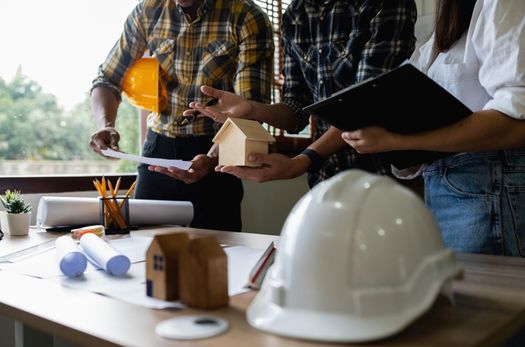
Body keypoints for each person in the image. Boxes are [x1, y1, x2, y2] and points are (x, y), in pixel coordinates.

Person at [341, 0, 525, 256]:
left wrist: (397, 142)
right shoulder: (435, 42)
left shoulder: (500, 4)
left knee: (481, 292)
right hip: (445, 193)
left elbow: (517, 123)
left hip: (487, 193)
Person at [187, 0, 417, 188]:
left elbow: (364, 103)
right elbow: (296, 110)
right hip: (326, 179)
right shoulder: (295, 15)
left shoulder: (384, 5)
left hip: (385, 176)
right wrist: (254, 110)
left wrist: (302, 161)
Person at [89, 0, 274, 231]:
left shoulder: (246, 16)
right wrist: (106, 125)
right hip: (158, 150)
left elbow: (250, 111)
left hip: (217, 153)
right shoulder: (149, 10)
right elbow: (108, 79)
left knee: (216, 254)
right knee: (146, 250)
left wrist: (213, 158)